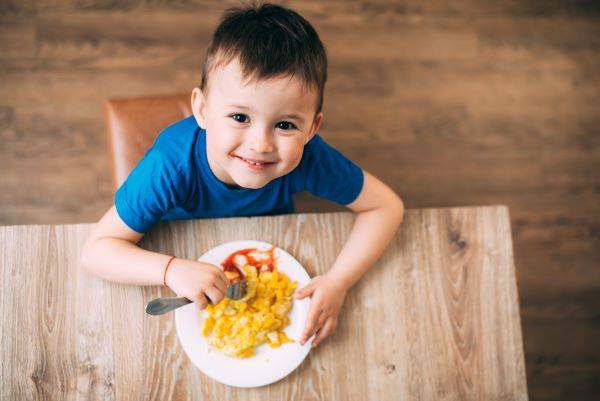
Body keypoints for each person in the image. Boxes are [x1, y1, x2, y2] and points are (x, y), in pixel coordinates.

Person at [82, 2, 404, 348]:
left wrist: (338, 282)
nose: (260, 144)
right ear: (203, 109)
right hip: (177, 246)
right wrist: (170, 270)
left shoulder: (310, 158)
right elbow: (97, 252)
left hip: (271, 242)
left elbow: (385, 207)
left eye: (284, 125)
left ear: (312, 128)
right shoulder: (170, 166)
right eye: (239, 117)